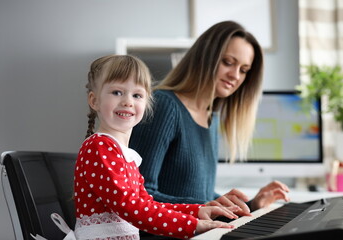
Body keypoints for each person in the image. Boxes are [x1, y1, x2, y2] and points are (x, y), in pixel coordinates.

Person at [129, 21, 290, 218]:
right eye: (228, 62)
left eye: (244, 70)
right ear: (205, 57)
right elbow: (139, 196)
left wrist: (252, 205)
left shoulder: (210, 117)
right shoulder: (165, 106)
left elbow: (202, 197)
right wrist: (205, 206)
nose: (235, 75)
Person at [73, 55, 239, 240]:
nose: (128, 101)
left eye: (137, 95)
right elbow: (130, 206)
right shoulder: (99, 146)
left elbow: (148, 204)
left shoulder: (125, 155)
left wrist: (198, 210)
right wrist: (191, 226)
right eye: (117, 92)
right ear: (94, 100)